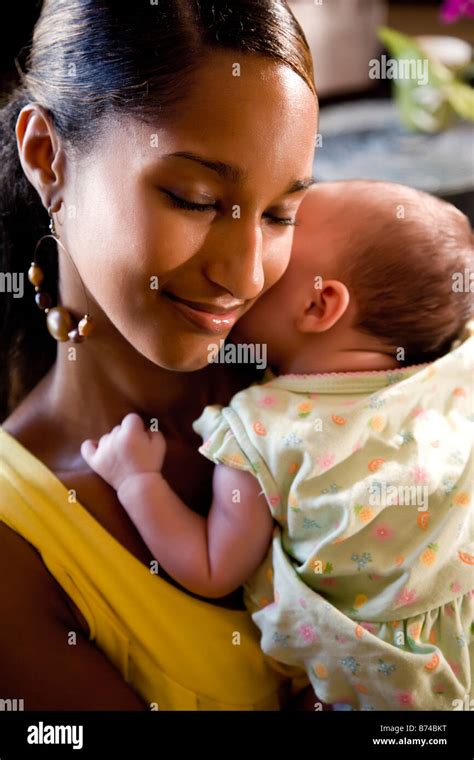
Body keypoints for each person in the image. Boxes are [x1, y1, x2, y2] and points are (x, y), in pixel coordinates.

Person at [0, 0, 319, 710]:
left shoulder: (324, 354)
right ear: (47, 157)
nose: (245, 275)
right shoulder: (18, 546)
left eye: (280, 215)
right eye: (195, 198)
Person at [81, 181, 474, 710]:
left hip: (387, 684)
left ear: (319, 304)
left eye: (278, 232)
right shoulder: (456, 375)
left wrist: (137, 482)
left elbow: (213, 566)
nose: (246, 266)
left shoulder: (263, 432)